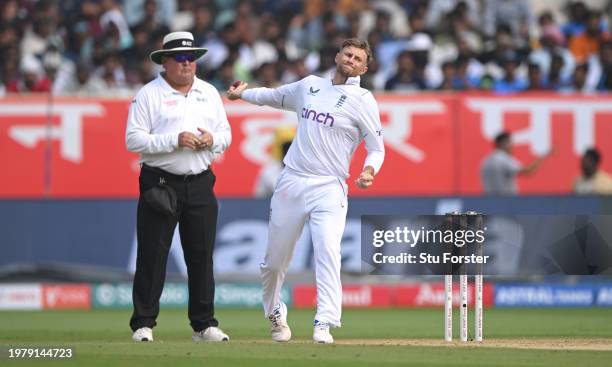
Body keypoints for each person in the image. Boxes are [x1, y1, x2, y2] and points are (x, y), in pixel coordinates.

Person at [227, 38, 385, 344]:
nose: (351, 60)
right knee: (274, 262)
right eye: (348, 54)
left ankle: (324, 321)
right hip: (292, 180)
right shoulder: (310, 86)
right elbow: (273, 96)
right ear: (338, 55)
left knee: (328, 251)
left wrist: (369, 170)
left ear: (364, 67)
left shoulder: (364, 100)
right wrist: (243, 93)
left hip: (330, 185)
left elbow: (377, 148)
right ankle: (275, 313)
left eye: (358, 58)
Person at [125, 31, 231, 342]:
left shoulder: (209, 92)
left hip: (199, 181)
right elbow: (133, 139)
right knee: (152, 254)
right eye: (181, 59)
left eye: (191, 59)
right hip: (160, 182)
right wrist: (175, 140)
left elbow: (226, 134)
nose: (187, 65)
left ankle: (204, 325)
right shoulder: (149, 94)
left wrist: (212, 140)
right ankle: (143, 323)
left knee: (201, 255)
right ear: (166, 62)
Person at [480, 131, 551, 195]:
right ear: (502, 143)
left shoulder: (486, 161)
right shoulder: (504, 158)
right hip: (506, 202)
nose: (512, 146)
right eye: (510, 142)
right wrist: (543, 156)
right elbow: (528, 171)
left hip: (489, 202)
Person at [254, 125, 295, 198]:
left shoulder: (305, 170)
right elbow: (258, 200)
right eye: (285, 147)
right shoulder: (268, 173)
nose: (288, 150)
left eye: (290, 146)